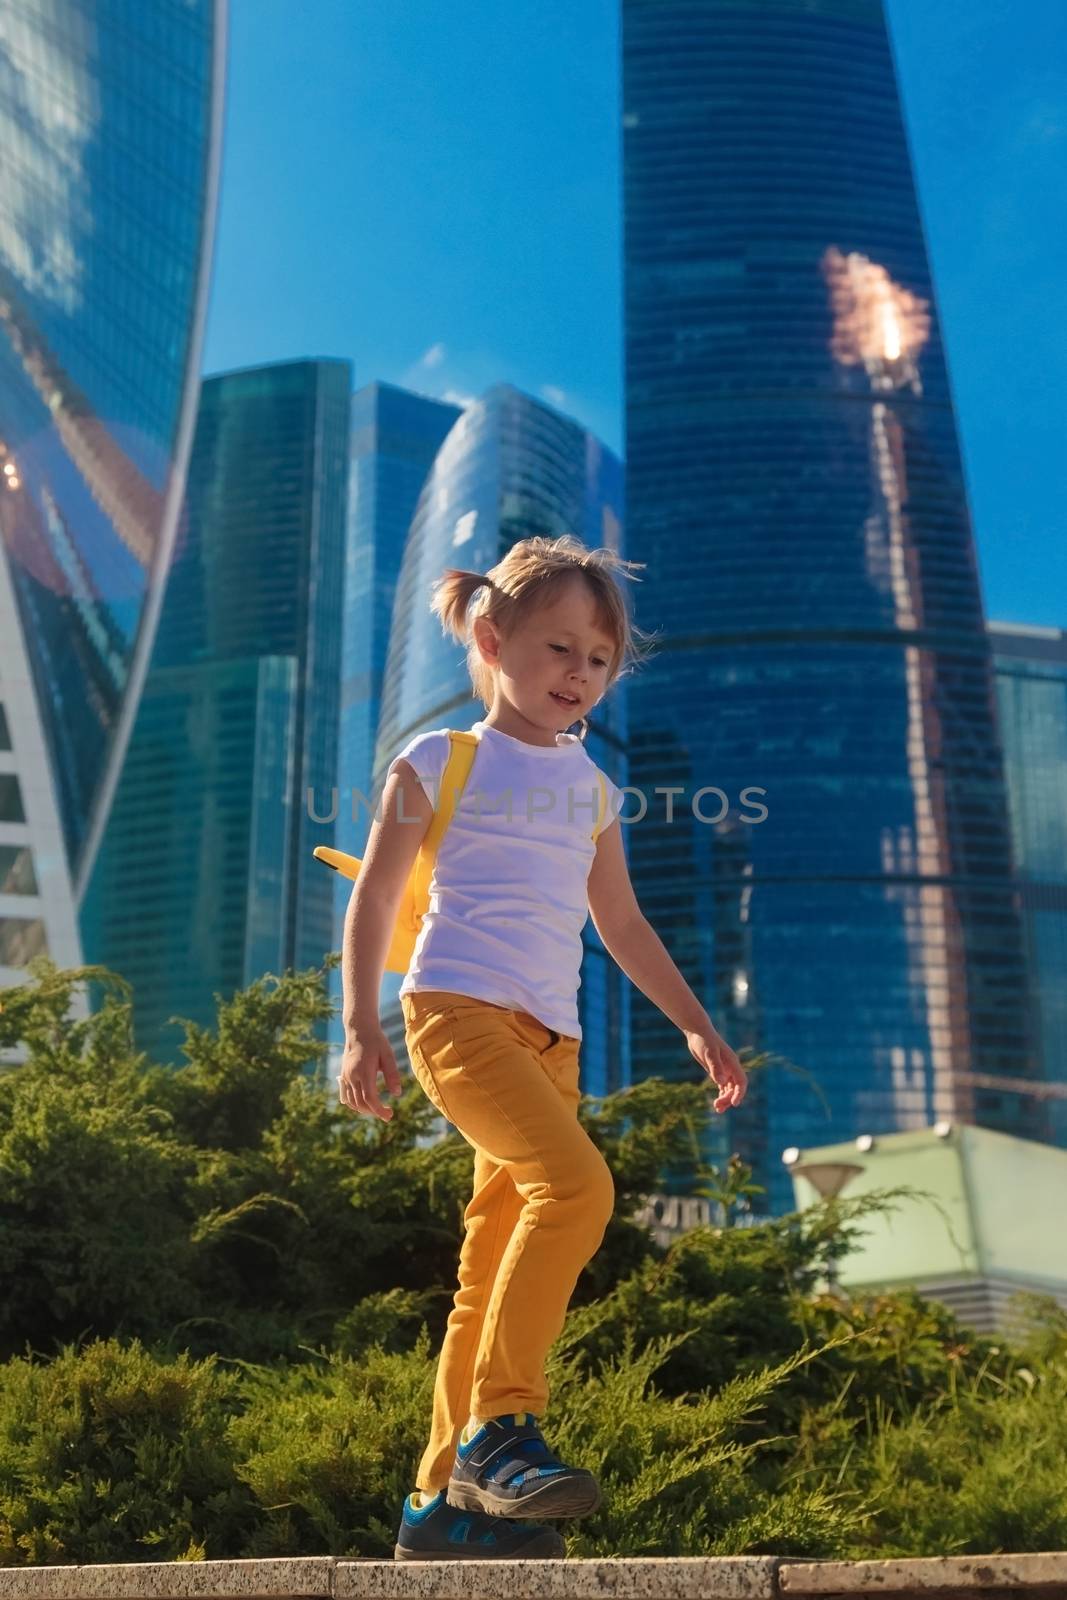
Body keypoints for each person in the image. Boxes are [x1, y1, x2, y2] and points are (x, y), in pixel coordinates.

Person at [338, 534, 748, 1562]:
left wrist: (696, 1021)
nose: (579, 673)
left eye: (598, 659)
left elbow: (622, 924)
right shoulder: (436, 759)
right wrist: (355, 1023)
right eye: (558, 647)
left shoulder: (593, 790)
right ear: (491, 639)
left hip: (549, 1044)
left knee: (487, 1267)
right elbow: (375, 895)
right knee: (578, 1188)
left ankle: (439, 1505)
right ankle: (501, 1427)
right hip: (455, 1016)